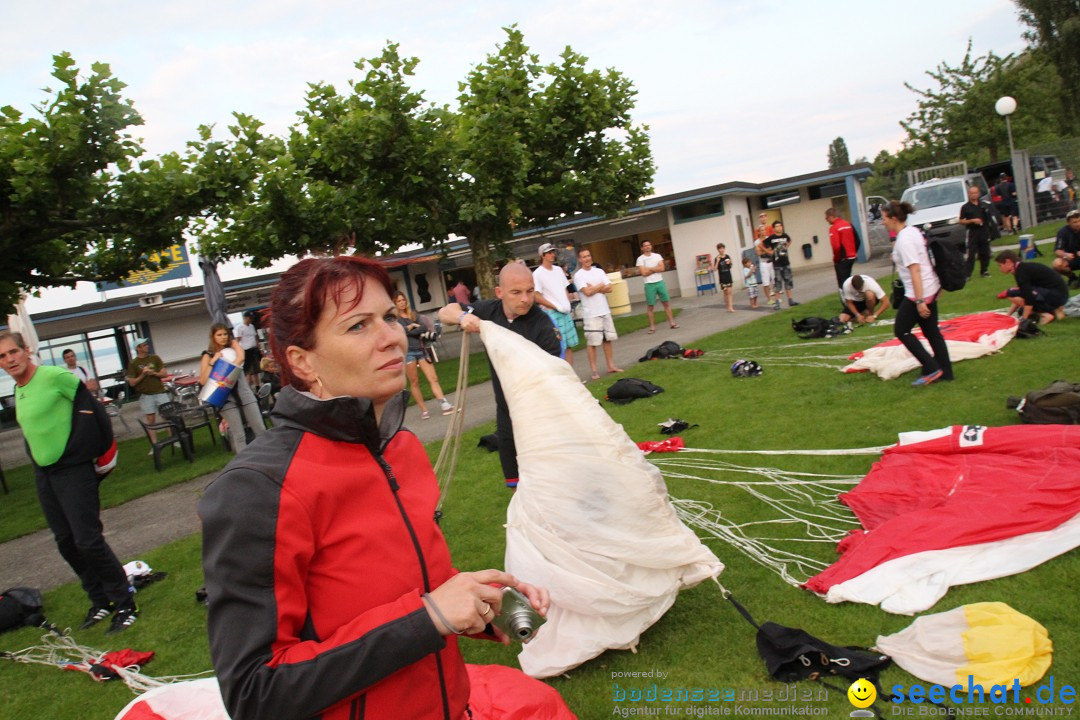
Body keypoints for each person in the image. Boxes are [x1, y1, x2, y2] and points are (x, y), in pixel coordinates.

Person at [199, 256, 552, 720]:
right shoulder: (257, 489)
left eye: (389, 316)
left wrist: (477, 604)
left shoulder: (402, 447)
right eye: (357, 326)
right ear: (302, 361)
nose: (392, 335)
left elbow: (409, 592)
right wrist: (429, 617)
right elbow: (255, 692)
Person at [0, 331, 138, 634]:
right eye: (2, 356)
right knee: (65, 541)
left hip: (73, 469)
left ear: (26, 351)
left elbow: (93, 411)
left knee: (87, 540)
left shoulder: (54, 377)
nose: (9, 359)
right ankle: (100, 599)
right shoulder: (19, 390)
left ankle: (124, 601)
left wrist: (93, 453)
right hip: (45, 474)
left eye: (13, 352)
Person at [439, 262, 561, 489]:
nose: (525, 299)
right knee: (515, 485)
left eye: (529, 291)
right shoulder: (489, 311)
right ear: (500, 292)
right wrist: (462, 318)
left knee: (548, 485)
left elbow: (555, 379)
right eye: (516, 292)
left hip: (539, 416)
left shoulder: (543, 327)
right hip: (506, 413)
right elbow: (445, 311)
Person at [884, 201, 953, 387]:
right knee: (931, 332)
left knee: (901, 330)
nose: (883, 222)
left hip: (919, 293)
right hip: (930, 287)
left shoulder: (904, 240)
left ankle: (932, 368)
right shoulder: (912, 231)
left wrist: (920, 301)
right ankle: (946, 372)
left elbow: (915, 270)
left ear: (893, 218)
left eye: (884, 218)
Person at [199, 323, 267, 452]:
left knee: (260, 429)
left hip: (244, 394)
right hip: (225, 399)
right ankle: (243, 465)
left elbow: (241, 358)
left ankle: (266, 456)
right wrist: (213, 361)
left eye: (225, 334)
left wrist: (235, 343)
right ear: (213, 337)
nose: (223, 337)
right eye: (219, 335)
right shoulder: (207, 355)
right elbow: (203, 380)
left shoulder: (234, 348)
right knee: (239, 434)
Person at [393, 291, 454, 419]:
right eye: (398, 301)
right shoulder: (395, 319)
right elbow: (399, 332)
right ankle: (424, 410)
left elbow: (424, 328)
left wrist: (412, 327)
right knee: (414, 381)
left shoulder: (413, 314)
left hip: (421, 350)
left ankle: (444, 403)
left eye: (403, 300)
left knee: (433, 378)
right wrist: (410, 328)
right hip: (408, 352)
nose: (402, 303)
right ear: (395, 303)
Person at [572, 248, 624, 381]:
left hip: (604, 310)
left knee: (607, 339)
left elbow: (610, 288)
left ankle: (611, 365)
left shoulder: (599, 271)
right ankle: (594, 370)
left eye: (588, 256)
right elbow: (587, 292)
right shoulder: (579, 275)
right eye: (583, 257)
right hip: (591, 313)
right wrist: (600, 286)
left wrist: (594, 287)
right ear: (580, 259)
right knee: (592, 342)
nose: (587, 259)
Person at [532, 242, 579, 366]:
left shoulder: (558, 270)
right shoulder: (537, 274)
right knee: (559, 345)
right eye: (549, 253)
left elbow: (564, 288)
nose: (552, 255)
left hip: (564, 311)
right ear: (543, 255)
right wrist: (555, 306)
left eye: (553, 252)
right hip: (552, 313)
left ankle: (572, 376)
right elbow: (537, 296)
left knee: (569, 345)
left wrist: (567, 304)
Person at [995, 249, 1069, 325]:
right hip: (1060, 294)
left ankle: (1045, 315)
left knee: (1010, 293)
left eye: (1000, 265)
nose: (1000, 268)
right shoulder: (1023, 268)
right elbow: (1022, 292)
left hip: (1056, 295)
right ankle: (1055, 310)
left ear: (1008, 262)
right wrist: (1008, 315)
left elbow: (1028, 297)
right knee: (1018, 303)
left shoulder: (1021, 272)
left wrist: (1024, 320)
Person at [126, 337, 170, 443]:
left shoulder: (155, 358)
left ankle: (174, 439)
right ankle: (154, 443)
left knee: (167, 416)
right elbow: (132, 382)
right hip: (146, 395)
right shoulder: (133, 363)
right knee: (151, 420)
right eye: (144, 345)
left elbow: (164, 374)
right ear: (138, 348)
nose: (147, 346)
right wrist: (143, 374)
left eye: (146, 344)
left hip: (160, 392)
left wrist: (153, 373)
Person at [636, 240, 678, 333]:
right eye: (645, 246)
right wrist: (656, 268)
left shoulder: (657, 256)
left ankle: (672, 323)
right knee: (650, 306)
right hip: (649, 284)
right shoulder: (640, 259)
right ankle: (652, 327)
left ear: (651, 246)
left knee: (666, 303)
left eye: (649, 245)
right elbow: (643, 273)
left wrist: (649, 268)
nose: (647, 247)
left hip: (660, 282)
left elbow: (662, 268)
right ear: (642, 248)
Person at [958, 184, 995, 279]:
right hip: (972, 231)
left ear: (978, 194)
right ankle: (967, 274)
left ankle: (984, 271)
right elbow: (961, 221)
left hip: (983, 230)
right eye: (972, 193)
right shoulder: (965, 207)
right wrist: (972, 221)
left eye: (975, 193)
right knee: (971, 253)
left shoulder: (983, 205)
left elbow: (989, 218)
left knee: (985, 252)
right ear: (969, 194)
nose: (974, 195)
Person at [765, 221, 799, 308]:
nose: (779, 228)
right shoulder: (771, 238)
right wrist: (770, 252)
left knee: (788, 281)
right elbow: (762, 245)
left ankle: (790, 300)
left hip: (785, 262)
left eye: (780, 226)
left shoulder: (785, 236)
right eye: (777, 226)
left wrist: (786, 247)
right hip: (777, 264)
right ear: (773, 228)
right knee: (778, 283)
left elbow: (789, 240)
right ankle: (777, 302)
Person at [825, 208, 858, 288]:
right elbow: (857, 239)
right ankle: (853, 298)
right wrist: (854, 251)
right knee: (848, 279)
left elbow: (836, 247)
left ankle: (847, 299)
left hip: (842, 259)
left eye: (827, 217)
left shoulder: (834, 228)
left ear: (831, 216)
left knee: (843, 283)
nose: (826, 220)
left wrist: (836, 259)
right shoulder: (848, 224)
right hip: (852, 256)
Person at [1053, 209, 1080, 288]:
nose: (1078, 224)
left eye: (1079, 221)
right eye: (1075, 222)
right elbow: (1057, 250)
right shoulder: (1063, 232)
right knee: (1057, 264)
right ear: (1068, 223)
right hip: (1072, 259)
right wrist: (1065, 255)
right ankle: (1072, 277)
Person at [234, 312, 262, 388]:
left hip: (254, 349)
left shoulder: (252, 326)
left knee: (256, 370)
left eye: (251, 318)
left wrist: (259, 348)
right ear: (245, 318)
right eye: (250, 318)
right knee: (248, 371)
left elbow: (255, 338)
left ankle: (257, 386)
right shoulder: (239, 327)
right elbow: (237, 340)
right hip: (246, 350)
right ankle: (248, 387)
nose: (251, 320)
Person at [754, 227, 776, 307]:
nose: (763, 231)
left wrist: (763, 249)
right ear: (759, 232)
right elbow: (758, 253)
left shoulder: (768, 239)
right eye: (761, 230)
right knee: (766, 282)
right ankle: (769, 299)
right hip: (763, 263)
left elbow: (771, 249)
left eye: (764, 230)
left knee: (775, 279)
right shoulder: (757, 242)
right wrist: (765, 250)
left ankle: (777, 297)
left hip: (771, 261)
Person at [714, 243, 735, 313]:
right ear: (718, 250)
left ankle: (731, 307)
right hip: (722, 278)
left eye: (723, 248)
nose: (722, 250)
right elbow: (715, 269)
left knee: (730, 292)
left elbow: (730, 266)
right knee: (726, 293)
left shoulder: (727, 256)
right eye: (720, 248)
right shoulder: (717, 258)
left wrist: (730, 263)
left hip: (728, 276)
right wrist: (717, 261)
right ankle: (728, 306)